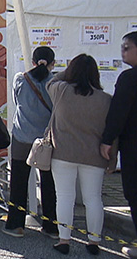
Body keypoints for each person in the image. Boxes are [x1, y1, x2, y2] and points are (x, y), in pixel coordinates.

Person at [47, 54, 114, 256]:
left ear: (71, 71)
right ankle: (94, 242)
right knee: (93, 199)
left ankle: (64, 240)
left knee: (64, 197)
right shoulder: (105, 99)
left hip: (63, 153)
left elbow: (52, 80)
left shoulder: (60, 90)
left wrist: (68, 71)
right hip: (94, 155)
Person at [3, 46, 59, 239]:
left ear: (33, 62)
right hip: (46, 140)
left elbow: (16, 101)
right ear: (53, 63)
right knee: (49, 183)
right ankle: (51, 226)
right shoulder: (55, 83)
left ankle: (16, 225)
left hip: (22, 136)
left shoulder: (20, 79)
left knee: (18, 182)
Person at [102, 32, 137, 258]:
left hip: (133, 146)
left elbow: (117, 113)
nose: (122, 51)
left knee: (134, 193)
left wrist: (107, 140)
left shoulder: (129, 78)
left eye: (127, 47)